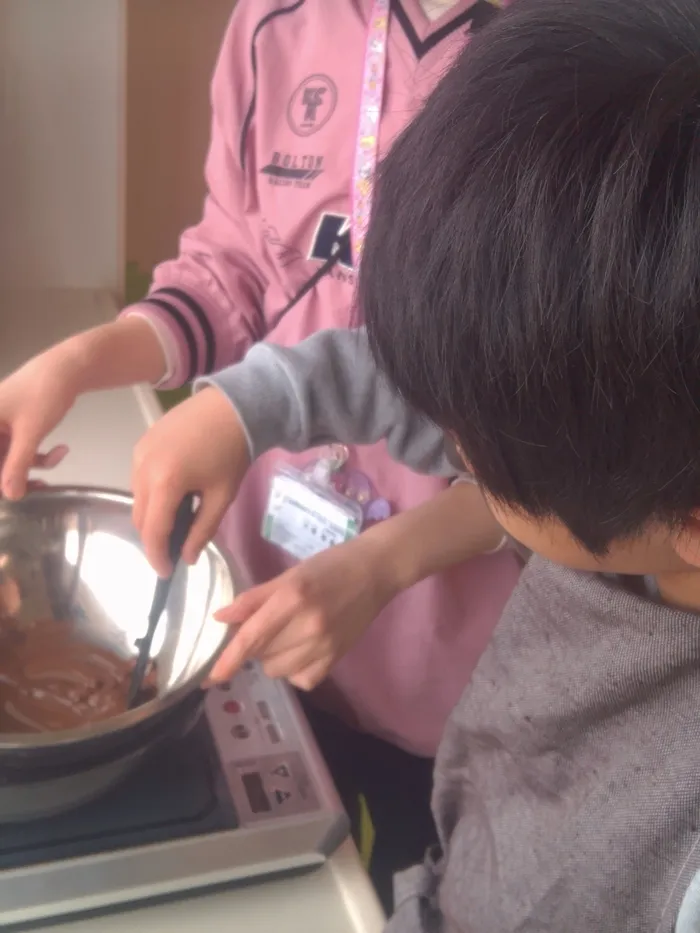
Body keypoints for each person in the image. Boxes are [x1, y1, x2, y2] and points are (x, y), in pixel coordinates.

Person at [128, 0, 700, 928]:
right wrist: (246, 402)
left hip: (435, 686)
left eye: (476, 445)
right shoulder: (616, 505)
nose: (448, 446)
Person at [0, 0, 521, 909]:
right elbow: (234, 267)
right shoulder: (274, 21)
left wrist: (384, 562)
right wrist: (80, 360)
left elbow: (574, 444)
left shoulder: (591, 53)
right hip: (266, 601)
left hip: (466, 668)